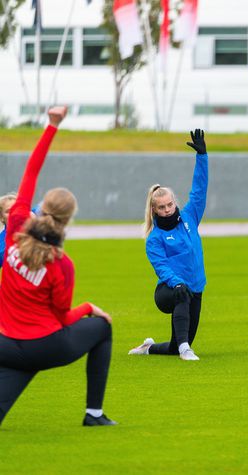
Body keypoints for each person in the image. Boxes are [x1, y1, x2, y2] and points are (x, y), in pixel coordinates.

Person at [0, 106, 115, 427]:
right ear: (68, 220)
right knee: (102, 329)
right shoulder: (62, 265)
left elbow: (30, 172)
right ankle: (94, 415)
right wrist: (90, 307)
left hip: (5, 345)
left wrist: (52, 126)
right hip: (42, 348)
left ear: (42, 208)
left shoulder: (17, 223)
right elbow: (63, 317)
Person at [128, 130, 208, 361]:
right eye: (161, 207)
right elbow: (162, 267)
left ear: (175, 203)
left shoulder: (190, 217)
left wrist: (202, 157)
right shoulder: (154, 238)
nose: (167, 210)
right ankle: (186, 350)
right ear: (154, 210)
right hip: (168, 292)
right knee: (182, 293)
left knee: (174, 344)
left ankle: (150, 347)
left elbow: (199, 190)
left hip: (196, 288)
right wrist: (177, 282)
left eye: (169, 205)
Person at [0, 193, 18, 267]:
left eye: (16, 209)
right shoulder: (1, 244)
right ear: (1, 217)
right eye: (8, 211)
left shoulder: (35, 232)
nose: (13, 213)